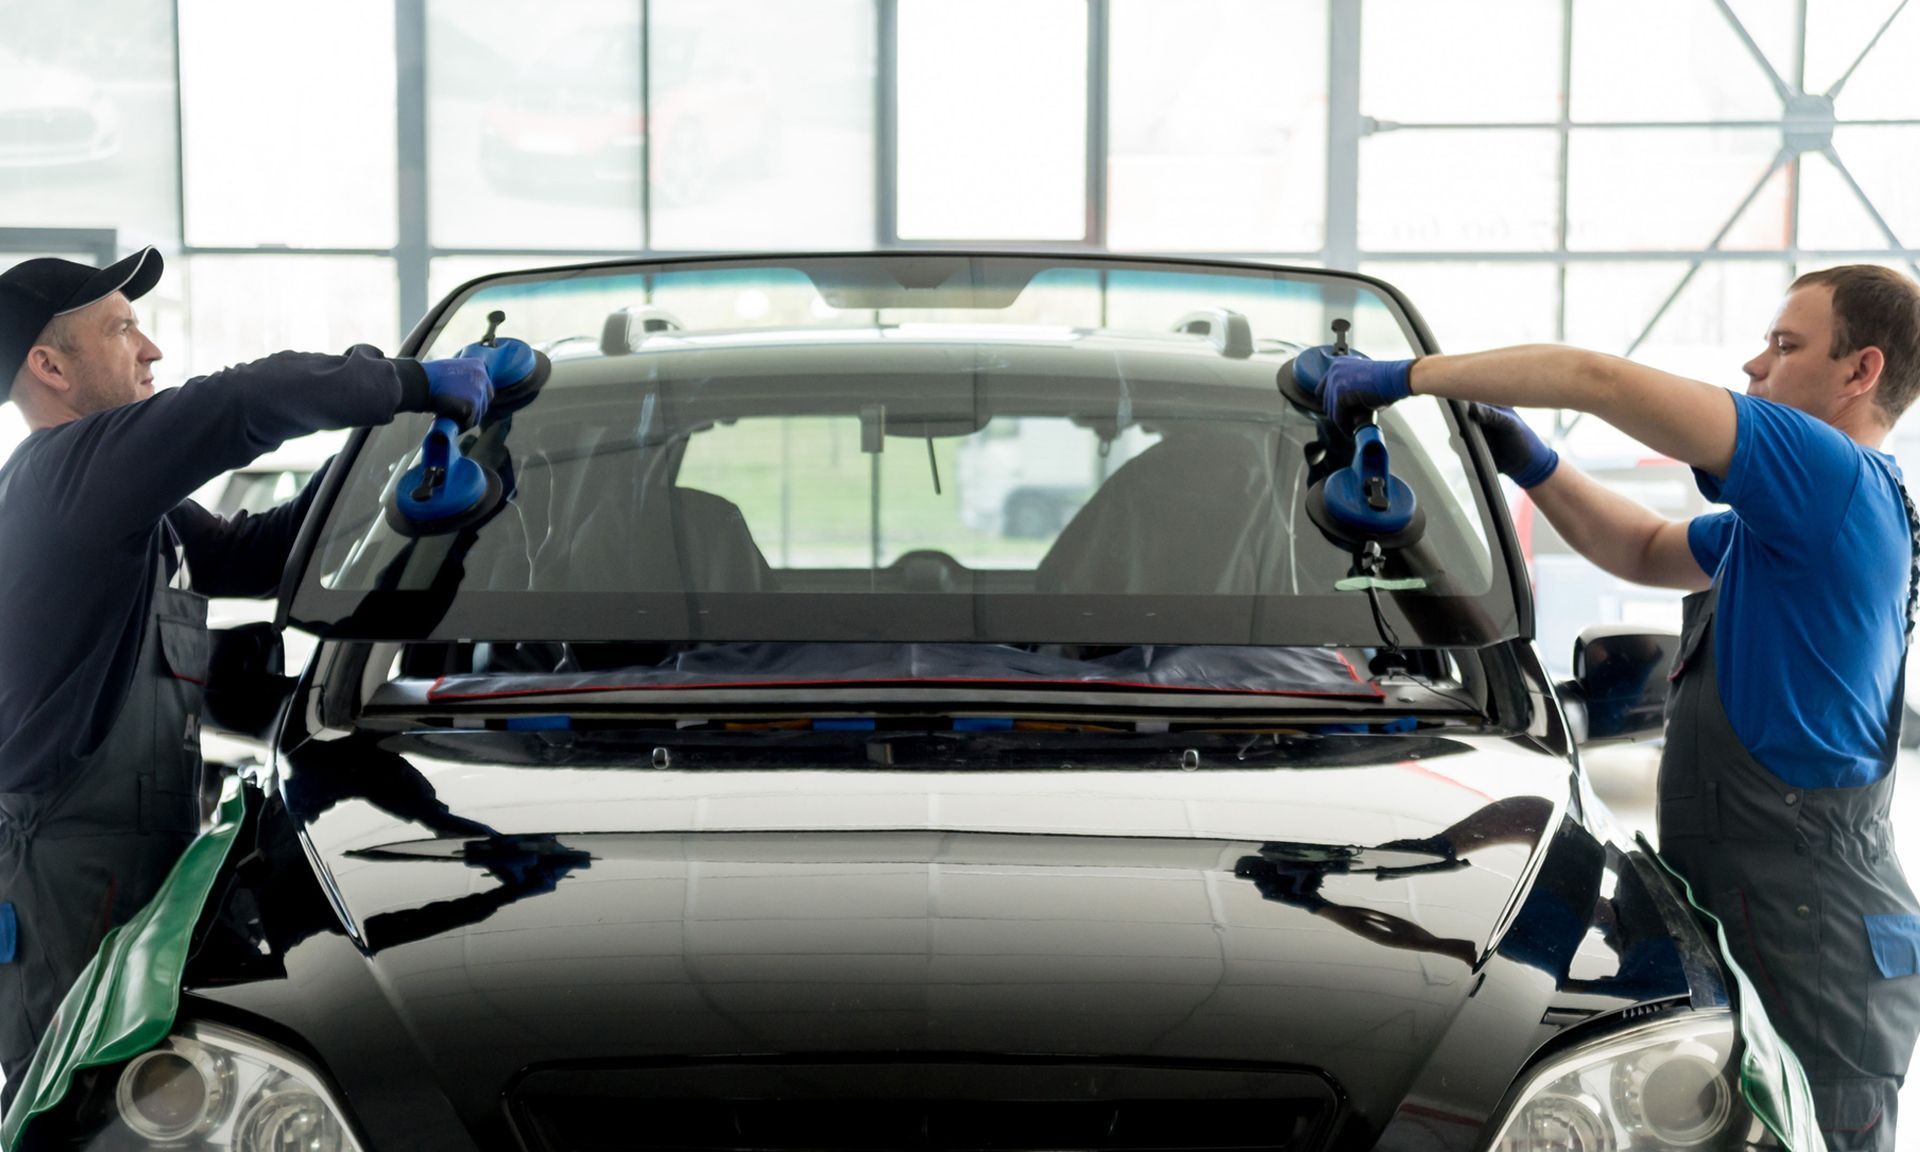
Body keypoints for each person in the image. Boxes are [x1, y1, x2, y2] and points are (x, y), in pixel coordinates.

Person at [1316, 264, 1920, 1152]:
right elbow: (1642, 547)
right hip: (1793, 910)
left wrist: (1406, 379)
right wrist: (1536, 465)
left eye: (1786, 346)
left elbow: (1598, 381)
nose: (1755, 366)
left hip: (1814, 932)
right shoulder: (1805, 519)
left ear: (1860, 372)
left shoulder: (1828, 476)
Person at [0, 248, 493, 1107]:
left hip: (129, 864)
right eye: (121, 329)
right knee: (72, 1112)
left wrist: (385, 491)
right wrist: (410, 384)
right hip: (62, 883)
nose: (150, 349)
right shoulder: (63, 477)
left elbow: (252, 554)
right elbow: (240, 402)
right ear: (49, 366)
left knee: (143, 1107)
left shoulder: (126, 508)